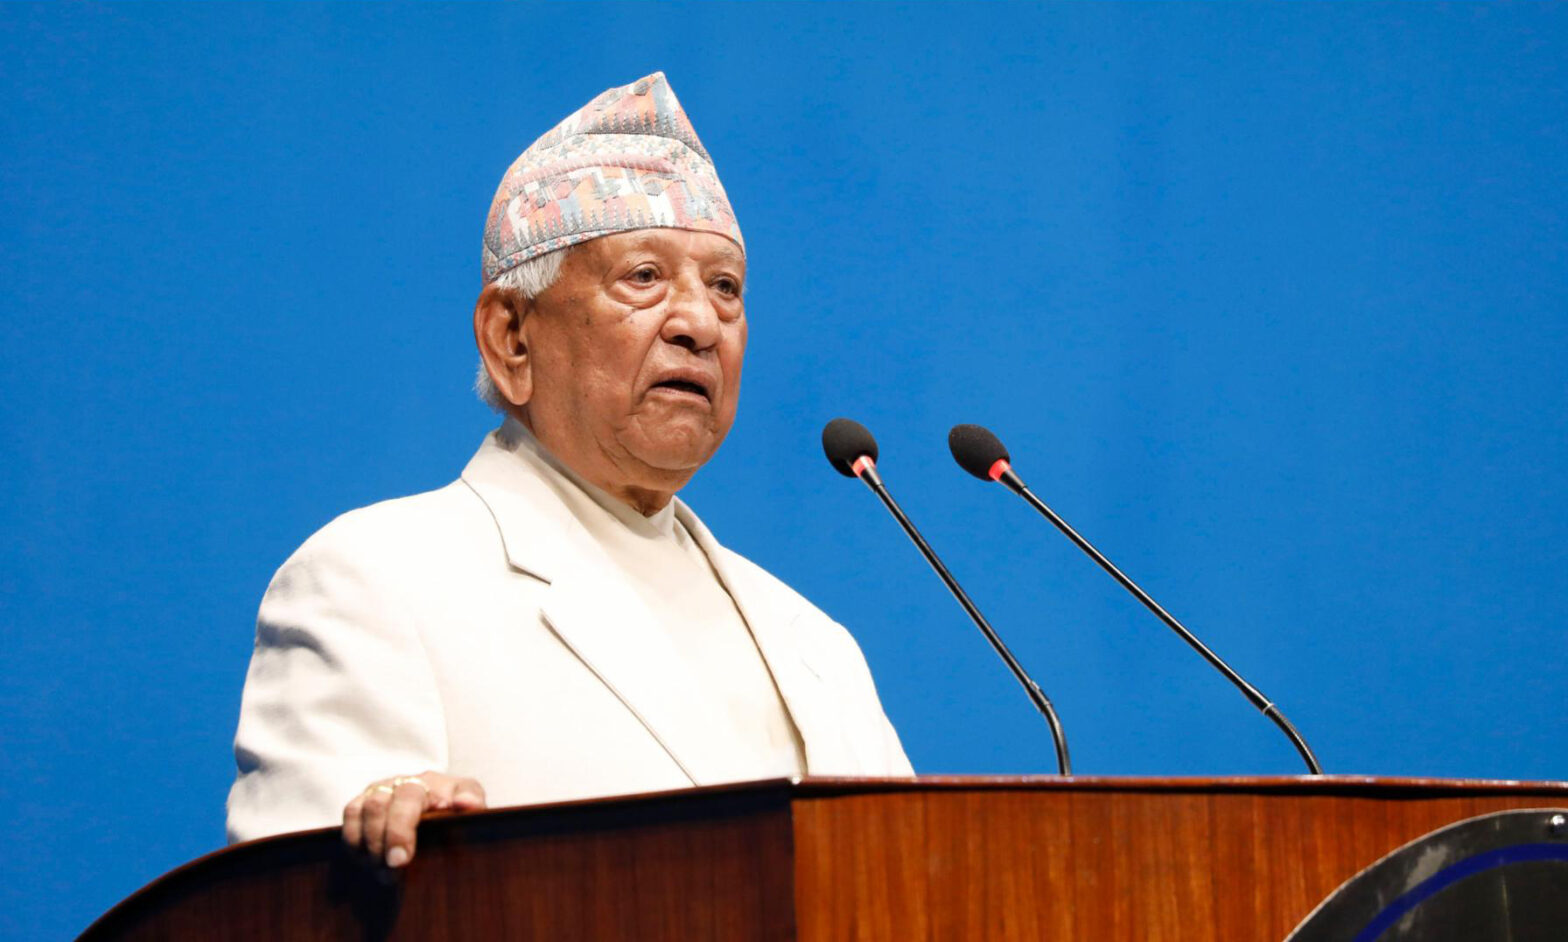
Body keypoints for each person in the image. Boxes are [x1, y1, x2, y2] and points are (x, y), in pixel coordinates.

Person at [225, 73, 912, 868]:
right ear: (512, 339)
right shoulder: (374, 583)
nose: (699, 323)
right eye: (644, 277)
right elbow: (294, 902)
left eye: (725, 288)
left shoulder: (815, 646)